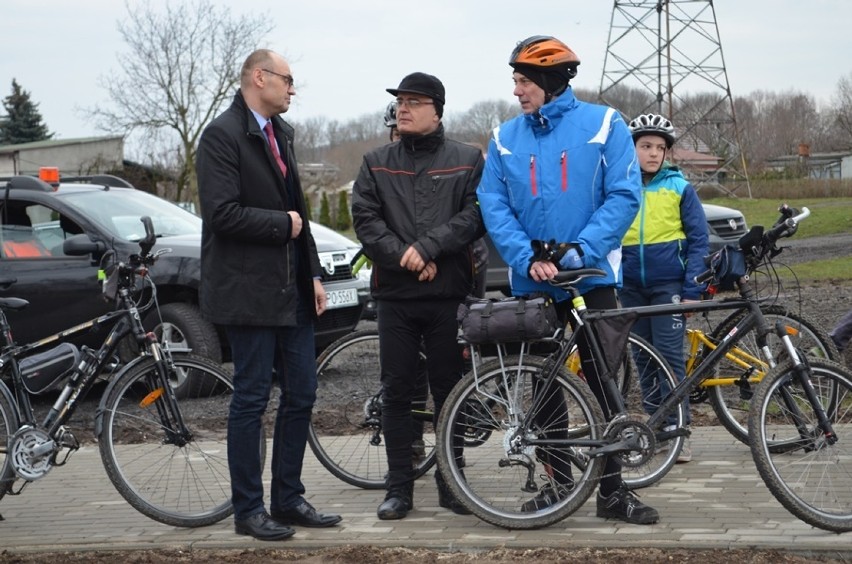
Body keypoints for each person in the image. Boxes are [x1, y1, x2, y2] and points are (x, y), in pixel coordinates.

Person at [476, 35, 659, 525]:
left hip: (592, 273)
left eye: (522, 80)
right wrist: (524, 257)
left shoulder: (604, 123)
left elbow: (622, 196)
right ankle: (558, 485)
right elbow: (492, 202)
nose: (516, 90)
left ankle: (612, 492)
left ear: (549, 80)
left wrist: (578, 252)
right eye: (515, 80)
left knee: (605, 385)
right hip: (532, 279)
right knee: (544, 387)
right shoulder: (504, 137)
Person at [196, 48, 342, 541]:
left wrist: (315, 275)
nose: (293, 89)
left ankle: (288, 497)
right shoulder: (221, 136)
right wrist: (283, 225)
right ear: (260, 78)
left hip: (293, 290)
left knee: (302, 393)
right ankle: (249, 510)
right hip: (247, 293)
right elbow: (222, 214)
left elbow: (299, 211)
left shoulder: (283, 134)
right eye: (288, 79)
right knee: (252, 399)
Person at [352, 72, 485, 520]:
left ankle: (452, 482)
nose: (403, 108)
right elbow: (367, 220)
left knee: (450, 391)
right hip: (396, 297)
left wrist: (429, 248)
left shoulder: (468, 159)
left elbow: (474, 216)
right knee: (397, 393)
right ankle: (398, 490)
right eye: (400, 101)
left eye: (414, 101)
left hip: (448, 295)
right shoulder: (376, 161)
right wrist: (405, 256)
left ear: (437, 109)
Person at [620, 114, 709, 464]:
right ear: (633, 149)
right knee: (643, 360)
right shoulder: (621, 185)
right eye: (645, 146)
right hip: (629, 288)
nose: (653, 153)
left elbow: (700, 241)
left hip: (668, 286)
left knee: (671, 361)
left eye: (660, 147)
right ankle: (655, 428)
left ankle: (679, 431)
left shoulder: (679, 187)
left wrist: (692, 290)